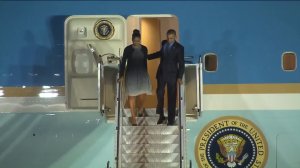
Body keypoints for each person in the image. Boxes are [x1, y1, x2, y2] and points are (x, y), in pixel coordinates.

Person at [148, 29, 184, 126]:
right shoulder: (164, 44)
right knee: (159, 94)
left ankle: (171, 120)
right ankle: (161, 116)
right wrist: (148, 56)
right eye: (168, 38)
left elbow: (181, 63)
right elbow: (160, 53)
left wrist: (180, 77)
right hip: (161, 74)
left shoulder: (179, 48)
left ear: (175, 37)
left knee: (171, 97)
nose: (170, 40)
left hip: (172, 75)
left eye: (171, 38)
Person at [118, 29, 152, 126]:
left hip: (142, 74)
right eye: (135, 41)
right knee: (132, 95)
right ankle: (133, 117)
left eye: (138, 41)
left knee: (143, 94)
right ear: (132, 40)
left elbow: (145, 61)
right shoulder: (127, 49)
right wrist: (121, 75)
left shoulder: (144, 48)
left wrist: (146, 74)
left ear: (140, 40)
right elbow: (123, 62)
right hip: (131, 74)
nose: (137, 42)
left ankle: (140, 108)